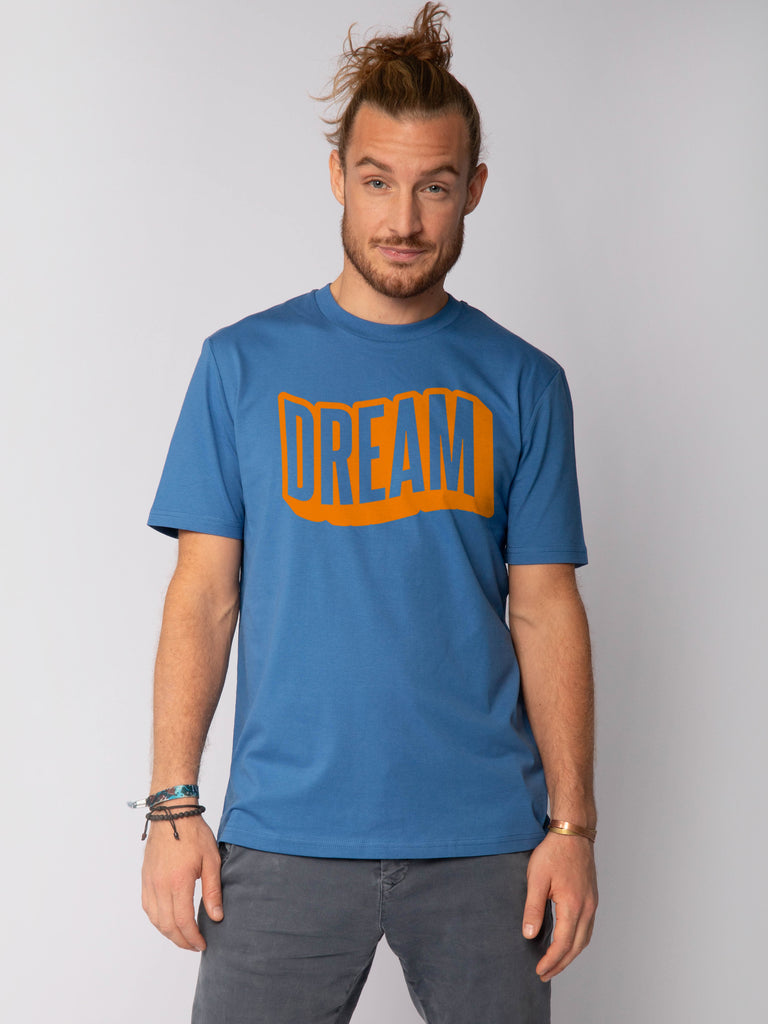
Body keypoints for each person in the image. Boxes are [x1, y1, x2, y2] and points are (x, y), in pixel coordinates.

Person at [138, 4, 597, 1022]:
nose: (404, 221)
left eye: (435, 186)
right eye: (379, 181)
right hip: (282, 837)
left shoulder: (524, 382)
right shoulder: (240, 366)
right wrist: (172, 805)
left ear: (473, 190)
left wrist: (572, 828)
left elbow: (545, 607)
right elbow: (204, 596)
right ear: (338, 177)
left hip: (485, 842)